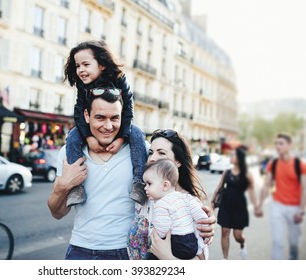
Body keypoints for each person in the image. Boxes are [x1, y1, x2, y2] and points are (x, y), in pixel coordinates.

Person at [47, 93, 216, 260]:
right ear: (86, 115)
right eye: (100, 117)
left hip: (125, 254)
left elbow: (170, 184)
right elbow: (57, 213)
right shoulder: (70, 153)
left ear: (123, 117)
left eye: (114, 118)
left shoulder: (141, 150)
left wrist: (202, 221)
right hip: (80, 250)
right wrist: (63, 186)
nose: (108, 125)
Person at [63, 40, 147, 207]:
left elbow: (128, 108)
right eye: (78, 66)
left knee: (137, 134)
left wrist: (122, 137)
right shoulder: (82, 86)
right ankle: (76, 188)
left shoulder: (119, 78)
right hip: (89, 127)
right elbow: (80, 112)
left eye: (86, 64)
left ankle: (139, 183)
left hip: (121, 124)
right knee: (72, 137)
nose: (81, 70)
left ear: (101, 65)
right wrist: (88, 137)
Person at [143, 129, 215, 260]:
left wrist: (166, 257)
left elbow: (201, 258)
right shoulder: (146, 192)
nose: (152, 158)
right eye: (151, 152)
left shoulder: (186, 202)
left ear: (178, 161)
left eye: (161, 153)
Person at [143, 159, 209, 260]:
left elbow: (162, 228)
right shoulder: (185, 197)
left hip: (177, 244)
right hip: (192, 242)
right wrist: (202, 225)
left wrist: (153, 235)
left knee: (151, 257)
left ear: (165, 185)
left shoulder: (161, 204)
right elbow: (199, 215)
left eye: (149, 184)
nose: (145, 188)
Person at [255, 133, 306, 260]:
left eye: (281, 143)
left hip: (295, 208)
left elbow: (304, 188)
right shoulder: (274, 163)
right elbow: (266, 184)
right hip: (278, 205)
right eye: (276, 143)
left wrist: (301, 210)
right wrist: (259, 205)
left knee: (294, 244)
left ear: (289, 145)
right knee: (277, 242)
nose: (278, 146)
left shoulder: (300, 165)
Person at [210, 147, 257, 260]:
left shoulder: (247, 175)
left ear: (240, 158)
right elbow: (219, 187)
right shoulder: (227, 172)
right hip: (226, 205)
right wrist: (212, 202)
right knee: (225, 232)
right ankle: (225, 259)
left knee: (237, 235)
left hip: (239, 207)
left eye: (234, 155)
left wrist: (256, 206)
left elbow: (251, 192)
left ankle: (242, 243)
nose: (231, 157)